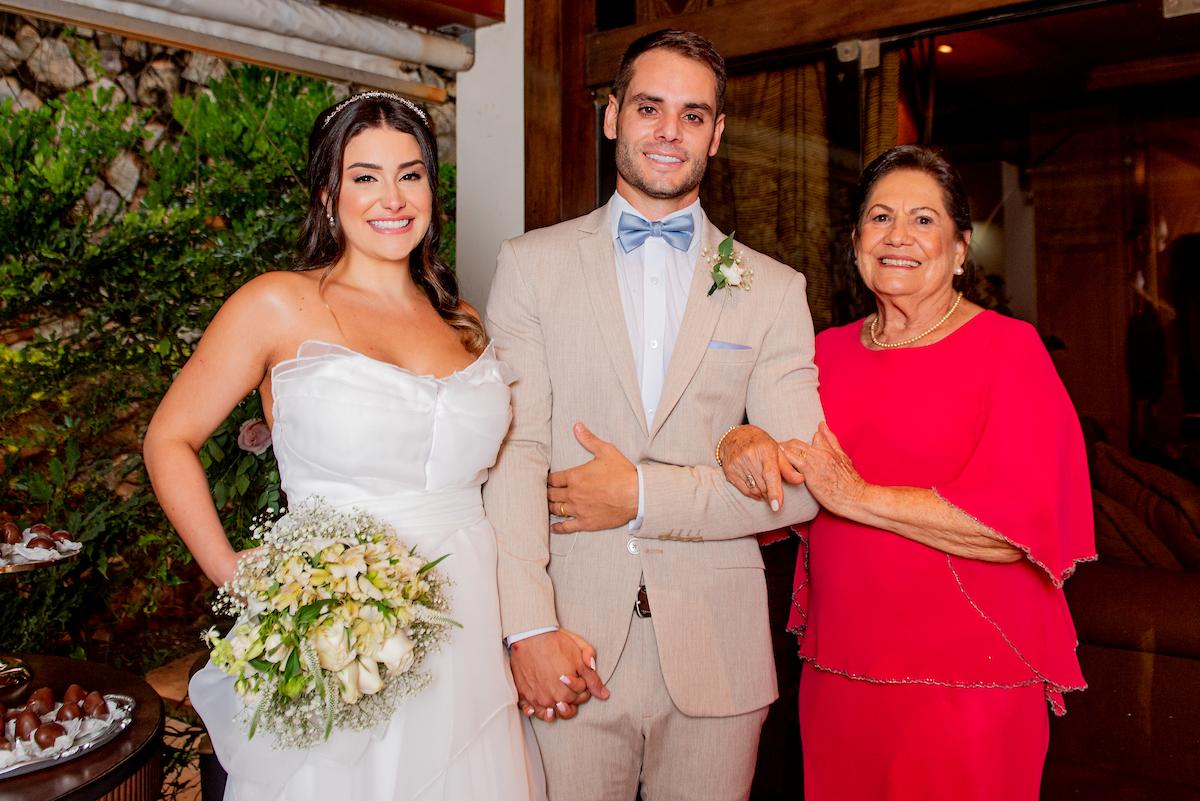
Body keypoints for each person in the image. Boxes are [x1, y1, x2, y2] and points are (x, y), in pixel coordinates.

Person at [143, 92, 544, 801]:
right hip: (340, 637)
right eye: (365, 176)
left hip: (470, 623)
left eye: (410, 174)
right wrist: (238, 575)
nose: (391, 197)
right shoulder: (276, 304)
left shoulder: (464, 321)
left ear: (432, 191)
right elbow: (168, 440)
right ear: (329, 194)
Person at [483, 29, 824, 801]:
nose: (670, 131)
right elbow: (516, 453)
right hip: (570, 641)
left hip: (719, 657)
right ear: (611, 117)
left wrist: (641, 493)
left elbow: (802, 485)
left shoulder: (773, 289)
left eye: (693, 115)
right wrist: (528, 627)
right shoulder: (529, 266)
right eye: (649, 107)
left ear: (718, 133)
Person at [722, 144, 1096, 801]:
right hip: (839, 671)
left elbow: (1012, 527)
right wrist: (739, 438)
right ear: (857, 242)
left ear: (961, 248)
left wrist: (857, 495)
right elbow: (776, 469)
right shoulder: (823, 353)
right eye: (880, 217)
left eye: (924, 220)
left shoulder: (1010, 351)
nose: (898, 235)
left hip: (969, 683)